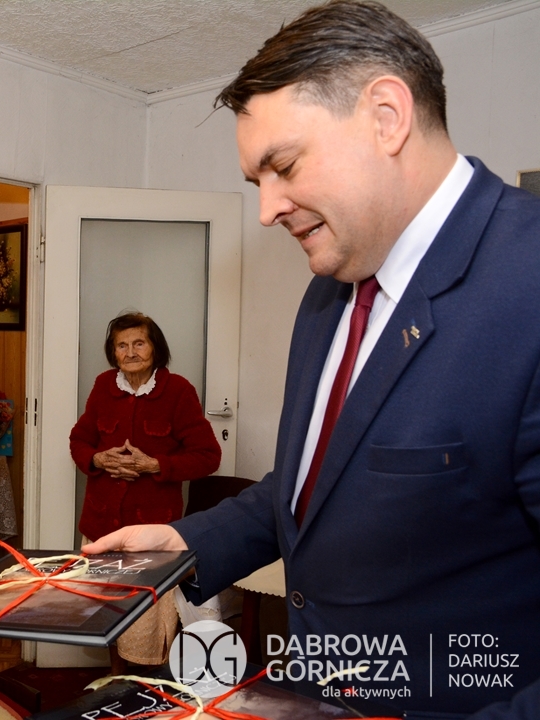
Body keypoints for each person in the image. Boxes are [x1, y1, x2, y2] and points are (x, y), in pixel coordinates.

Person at [84, 2, 540, 718]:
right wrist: (182, 540)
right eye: (256, 182)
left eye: (285, 167)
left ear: (387, 117)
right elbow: (312, 489)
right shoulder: (329, 293)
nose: (267, 209)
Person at [70, 312, 221, 666]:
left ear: (155, 348)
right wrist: (97, 459)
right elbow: (79, 440)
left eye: (139, 343)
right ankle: (115, 681)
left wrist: (155, 465)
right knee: (105, 613)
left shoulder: (178, 391)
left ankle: (149, 687)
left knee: (146, 626)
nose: (130, 352)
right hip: (102, 527)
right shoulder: (103, 386)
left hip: (154, 534)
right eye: (121, 345)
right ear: (113, 352)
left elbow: (208, 457)